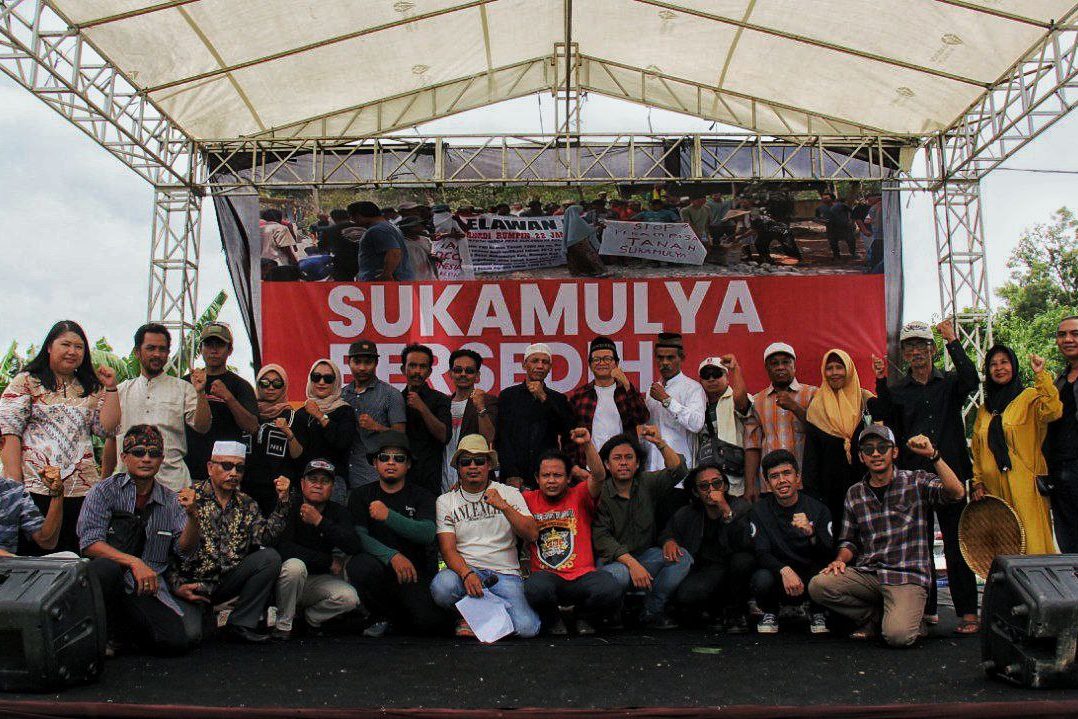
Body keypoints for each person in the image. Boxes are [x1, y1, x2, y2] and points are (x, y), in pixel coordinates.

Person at [809, 426, 965, 647]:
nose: (876, 453)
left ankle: (907, 618)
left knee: (897, 637)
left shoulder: (915, 481)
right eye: (868, 449)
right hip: (870, 573)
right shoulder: (855, 493)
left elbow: (957, 492)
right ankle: (874, 617)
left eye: (882, 447)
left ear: (894, 452)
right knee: (819, 585)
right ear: (861, 456)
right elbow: (848, 541)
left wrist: (934, 456)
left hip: (906, 575)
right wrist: (839, 560)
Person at [873, 319, 979, 634]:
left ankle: (968, 612)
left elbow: (972, 379)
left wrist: (952, 340)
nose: (916, 351)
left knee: (956, 545)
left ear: (932, 349)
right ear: (904, 353)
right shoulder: (897, 391)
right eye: (910, 347)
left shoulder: (949, 383)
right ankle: (926, 610)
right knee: (918, 547)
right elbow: (886, 420)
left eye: (922, 345)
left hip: (950, 475)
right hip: (914, 478)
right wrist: (880, 380)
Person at [77, 425, 202, 654]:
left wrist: (193, 517)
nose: (146, 459)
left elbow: (184, 551)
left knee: (178, 642)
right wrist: (135, 563)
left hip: (147, 588)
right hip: (112, 583)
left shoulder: (171, 500)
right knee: (103, 568)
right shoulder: (103, 491)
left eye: (153, 453)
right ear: (124, 457)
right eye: (138, 452)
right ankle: (107, 634)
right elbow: (90, 544)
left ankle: (127, 634)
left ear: (161, 459)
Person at [0, 320, 121, 554]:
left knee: (74, 558)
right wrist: (16, 484)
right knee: (32, 559)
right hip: (34, 488)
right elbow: (8, 431)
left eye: (79, 346)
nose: (72, 351)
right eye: (65, 344)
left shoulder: (91, 387)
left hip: (81, 491)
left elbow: (108, 429)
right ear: (49, 347)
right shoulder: (26, 381)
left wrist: (111, 388)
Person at [173, 441, 288, 643]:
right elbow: (167, 549)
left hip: (228, 581)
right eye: (226, 466)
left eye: (239, 468)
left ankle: (241, 623)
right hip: (193, 585)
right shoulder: (188, 498)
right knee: (191, 636)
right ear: (210, 467)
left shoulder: (247, 503)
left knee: (269, 558)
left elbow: (266, 537)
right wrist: (175, 585)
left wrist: (283, 501)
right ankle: (203, 616)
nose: (233, 473)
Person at [431, 434, 541, 639]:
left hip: (505, 574)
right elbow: (447, 549)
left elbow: (532, 534)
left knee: (528, 628)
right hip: (466, 571)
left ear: (489, 464)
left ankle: (476, 618)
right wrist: (466, 574)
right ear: (458, 468)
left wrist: (504, 506)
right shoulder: (445, 500)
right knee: (442, 587)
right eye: (466, 462)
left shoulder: (509, 493)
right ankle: (482, 617)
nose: (473, 466)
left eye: (479, 460)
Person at [347, 431, 445, 636]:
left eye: (399, 458)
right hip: (379, 572)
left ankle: (397, 618)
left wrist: (388, 516)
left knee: (430, 624)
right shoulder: (360, 495)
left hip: (412, 573)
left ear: (408, 464)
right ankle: (379, 615)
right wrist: (392, 556)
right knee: (360, 566)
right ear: (375, 463)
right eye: (384, 457)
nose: (391, 462)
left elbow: (427, 533)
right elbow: (358, 537)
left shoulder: (422, 495)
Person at [522, 433, 621, 635]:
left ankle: (584, 617)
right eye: (545, 476)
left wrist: (587, 445)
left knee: (610, 586)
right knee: (534, 587)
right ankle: (553, 620)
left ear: (568, 478)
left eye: (557, 475)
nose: (551, 480)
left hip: (582, 575)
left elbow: (599, 476)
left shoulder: (580, 494)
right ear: (537, 479)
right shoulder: (527, 499)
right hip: (547, 577)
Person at [594, 426, 691, 629]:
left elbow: (679, 470)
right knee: (619, 575)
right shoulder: (600, 492)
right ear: (607, 464)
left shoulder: (646, 482)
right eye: (617, 458)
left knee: (682, 558)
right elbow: (602, 538)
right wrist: (633, 565)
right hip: (613, 562)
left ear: (637, 463)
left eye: (629, 457)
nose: (623, 462)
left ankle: (651, 611)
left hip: (645, 556)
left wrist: (660, 443)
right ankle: (612, 612)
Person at [969, 347, 1061, 554]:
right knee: (1004, 549)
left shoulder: (1029, 397)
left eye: (1004, 362)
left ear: (1014, 365)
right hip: (994, 493)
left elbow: (1053, 411)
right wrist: (978, 483)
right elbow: (977, 450)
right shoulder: (984, 409)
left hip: (1026, 490)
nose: (999, 368)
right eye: (993, 364)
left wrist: (1041, 375)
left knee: (1033, 548)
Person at [104, 323, 211, 491]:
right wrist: (103, 484)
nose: (157, 354)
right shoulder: (121, 391)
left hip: (172, 486)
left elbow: (202, 427)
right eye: (151, 348)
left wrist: (201, 392)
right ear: (137, 352)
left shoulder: (183, 388)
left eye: (162, 349)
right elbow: (110, 437)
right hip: (127, 487)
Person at [272, 459, 362, 640]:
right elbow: (282, 547)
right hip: (285, 582)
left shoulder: (338, 512)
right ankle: (283, 626)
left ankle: (309, 619)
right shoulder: (289, 505)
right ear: (302, 483)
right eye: (313, 479)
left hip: (316, 581)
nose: (318, 485)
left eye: (325, 481)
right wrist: (327, 561)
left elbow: (353, 545)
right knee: (295, 567)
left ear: (332, 487)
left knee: (349, 598)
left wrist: (319, 521)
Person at [661, 464, 754, 631]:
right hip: (707, 569)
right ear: (696, 492)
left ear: (725, 486)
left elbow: (745, 542)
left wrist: (726, 512)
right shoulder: (689, 512)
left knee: (743, 561)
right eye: (704, 486)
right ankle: (712, 610)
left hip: (734, 565)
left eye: (717, 483)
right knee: (688, 595)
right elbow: (669, 531)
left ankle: (737, 612)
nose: (711, 489)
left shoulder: (741, 507)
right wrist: (669, 540)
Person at [750, 450, 833, 635]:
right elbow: (761, 553)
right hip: (779, 576)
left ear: (797, 477)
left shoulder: (818, 508)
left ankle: (817, 611)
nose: (781, 480)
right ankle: (770, 611)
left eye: (787, 473)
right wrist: (784, 570)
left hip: (810, 576)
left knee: (827, 573)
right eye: (774, 476)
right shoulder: (759, 511)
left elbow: (828, 553)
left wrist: (811, 534)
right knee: (760, 577)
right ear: (767, 483)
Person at [801, 349, 874, 534]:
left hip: (867, 488)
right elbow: (811, 459)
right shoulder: (817, 407)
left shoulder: (865, 401)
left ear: (849, 369)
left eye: (839, 367)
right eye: (829, 368)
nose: (834, 373)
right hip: (829, 493)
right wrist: (813, 499)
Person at [183, 323, 259, 482]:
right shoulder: (185, 383)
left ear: (229, 350)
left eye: (219, 345)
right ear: (201, 349)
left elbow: (252, 427)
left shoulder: (240, 386)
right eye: (208, 344)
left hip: (227, 475)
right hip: (188, 473)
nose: (214, 350)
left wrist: (229, 398)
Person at [743, 342, 817, 500]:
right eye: (774, 363)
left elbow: (820, 432)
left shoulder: (812, 394)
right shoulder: (757, 401)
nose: (780, 367)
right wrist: (750, 486)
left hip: (806, 482)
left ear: (794, 365)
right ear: (767, 368)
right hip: (770, 485)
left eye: (785, 362)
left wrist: (795, 407)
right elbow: (752, 446)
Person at [495, 343, 573, 489]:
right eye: (535, 361)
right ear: (524, 365)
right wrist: (511, 472)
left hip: (547, 475)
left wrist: (544, 398)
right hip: (514, 476)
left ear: (550, 367)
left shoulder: (558, 399)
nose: (540, 366)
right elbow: (501, 438)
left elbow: (566, 431)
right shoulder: (508, 396)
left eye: (545, 362)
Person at [568, 336, 649, 468]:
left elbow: (642, 417)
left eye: (607, 359)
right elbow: (570, 435)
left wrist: (626, 384)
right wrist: (574, 466)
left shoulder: (626, 392)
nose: (602, 363)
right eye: (596, 359)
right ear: (590, 365)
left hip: (622, 467)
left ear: (616, 363)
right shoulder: (579, 396)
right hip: (589, 467)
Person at [341, 338, 407, 495]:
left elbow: (401, 436)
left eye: (368, 362)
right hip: (344, 477)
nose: (362, 367)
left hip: (374, 478)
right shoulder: (342, 395)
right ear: (349, 362)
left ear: (376, 363)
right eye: (357, 362)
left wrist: (376, 426)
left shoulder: (391, 394)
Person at [292, 359, 357, 493]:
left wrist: (320, 416)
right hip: (306, 482)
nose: (321, 382)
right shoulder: (301, 413)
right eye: (316, 377)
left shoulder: (345, 411)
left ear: (336, 381)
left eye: (328, 378)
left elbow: (342, 443)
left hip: (334, 481)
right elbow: (297, 456)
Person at [645, 332, 706, 472]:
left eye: (670, 357)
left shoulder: (693, 388)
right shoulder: (652, 391)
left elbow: (696, 424)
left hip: (680, 470)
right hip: (652, 469)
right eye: (660, 357)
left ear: (681, 358)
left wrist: (667, 400)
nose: (665, 362)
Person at [246, 364, 302, 515]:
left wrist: (288, 432)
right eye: (265, 383)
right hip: (246, 489)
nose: (270, 387)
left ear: (284, 386)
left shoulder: (292, 416)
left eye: (277, 383)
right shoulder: (248, 413)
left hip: (278, 491)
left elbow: (298, 455)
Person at [441, 348, 497, 493]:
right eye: (458, 370)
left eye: (469, 370)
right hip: (442, 478)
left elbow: (488, 438)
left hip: (474, 480)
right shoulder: (442, 403)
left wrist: (480, 408)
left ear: (477, 375)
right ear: (450, 373)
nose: (463, 374)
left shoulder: (488, 401)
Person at [696, 356, 751, 498]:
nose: (711, 379)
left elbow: (742, 404)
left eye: (716, 374)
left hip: (734, 480)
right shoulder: (696, 405)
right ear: (700, 381)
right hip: (706, 482)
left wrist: (736, 369)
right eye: (706, 375)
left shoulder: (736, 398)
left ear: (727, 378)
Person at [400, 344, 451, 496]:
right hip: (399, 478)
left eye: (422, 367)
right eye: (412, 366)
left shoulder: (440, 399)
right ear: (403, 369)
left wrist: (422, 407)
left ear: (429, 371)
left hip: (430, 479)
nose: (417, 371)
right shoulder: (395, 399)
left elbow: (444, 436)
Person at [1046, 316, 1078, 552]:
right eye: (1062, 335)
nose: (1068, 339)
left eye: (1075, 334)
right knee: (1069, 546)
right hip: (1060, 473)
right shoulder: (1058, 382)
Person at [0, 465, 64, 556]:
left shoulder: (14, 490)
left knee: (69, 556)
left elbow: (47, 542)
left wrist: (57, 493)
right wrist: (14, 558)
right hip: (12, 560)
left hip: (10, 563)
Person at [349, 201, 414, 282]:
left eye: (352, 217)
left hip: (383, 282)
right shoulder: (389, 226)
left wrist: (386, 275)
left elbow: (394, 252)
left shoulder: (378, 230)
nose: (352, 221)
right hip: (399, 279)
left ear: (358, 216)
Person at [562, 204, 609, 278]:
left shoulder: (569, 220)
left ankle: (577, 273)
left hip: (570, 242)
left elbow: (584, 227)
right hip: (580, 241)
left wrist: (594, 226)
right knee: (591, 256)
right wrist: (598, 227)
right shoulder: (577, 219)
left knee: (575, 258)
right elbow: (587, 230)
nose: (581, 212)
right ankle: (601, 271)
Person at [814, 192, 856, 259]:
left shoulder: (841, 205)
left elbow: (852, 212)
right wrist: (822, 221)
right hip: (831, 228)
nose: (824, 199)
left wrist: (851, 221)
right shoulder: (820, 208)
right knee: (833, 242)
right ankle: (836, 255)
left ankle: (853, 254)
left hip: (844, 227)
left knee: (851, 240)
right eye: (823, 198)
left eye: (826, 198)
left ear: (832, 198)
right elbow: (816, 218)